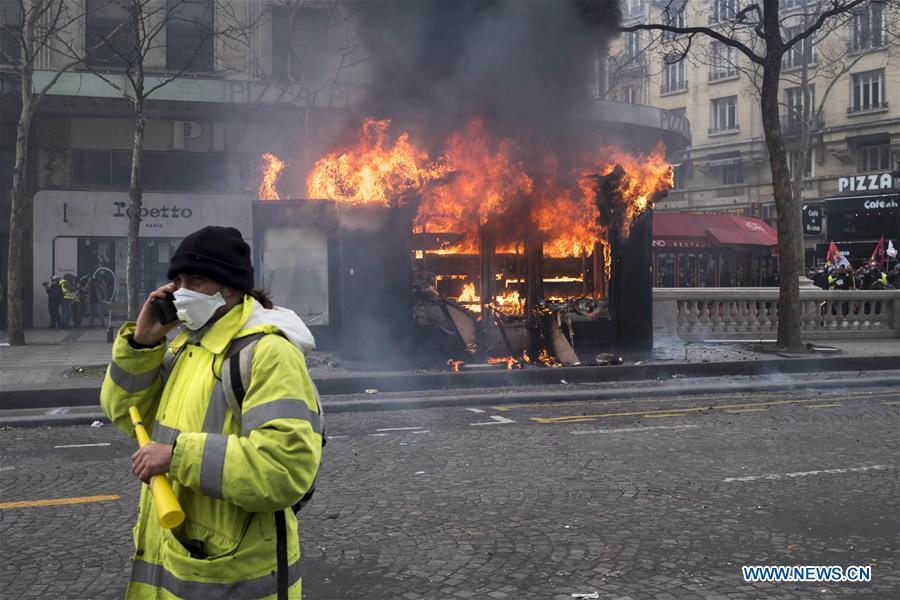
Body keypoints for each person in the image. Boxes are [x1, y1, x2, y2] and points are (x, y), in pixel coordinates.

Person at [100, 226, 322, 599]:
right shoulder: (189, 343)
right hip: (178, 564)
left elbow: (284, 470)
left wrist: (176, 456)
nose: (181, 291)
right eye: (178, 280)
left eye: (197, 280)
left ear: (231, 288)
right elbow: (125, 413)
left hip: (234, 578)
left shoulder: (269, 353)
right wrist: (142, 343)